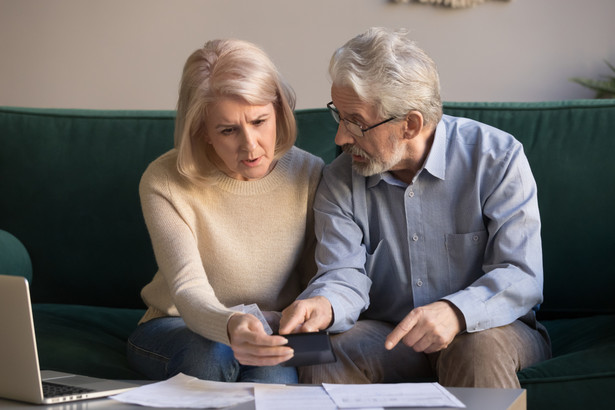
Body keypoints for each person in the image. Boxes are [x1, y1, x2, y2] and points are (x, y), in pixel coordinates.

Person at [278, 27, 551, 388]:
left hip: (489, 329)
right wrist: (325, 305)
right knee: (320, 349)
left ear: (410, 124)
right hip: (391, 337)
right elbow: (342, 273)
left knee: (474, 347)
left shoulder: (496, 158)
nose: (340, 137)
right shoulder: (340, 178)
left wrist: (456, 312)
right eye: (339, 116)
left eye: (356, 122)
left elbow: (521, 274)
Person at [127, 38, 324, 384]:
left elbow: (317, 280)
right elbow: (188, 289)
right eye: (228, 130)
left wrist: (286, 325)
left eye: (260, 121)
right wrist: (231, 325)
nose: (250, 146)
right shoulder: (163, 181)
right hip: (177, 325)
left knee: (275, 377)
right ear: (201, 130)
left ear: (278, 109)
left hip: (273, 328)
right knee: (211, 353)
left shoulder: (309, 173)